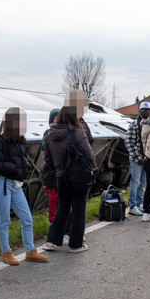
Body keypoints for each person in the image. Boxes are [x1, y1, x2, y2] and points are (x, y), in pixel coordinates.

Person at [0, 107, 48, 265]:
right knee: (4, 220)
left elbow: (22, 160)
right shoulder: (0, 140)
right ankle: (6, 253)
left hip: (15, 184)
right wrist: (15, 170)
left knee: (27, 218)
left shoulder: (20, 140)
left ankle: (30, 251)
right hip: (3, 183)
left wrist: (25, 169)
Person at [41, 104, 95, 253]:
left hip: (60, 177)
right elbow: (89, 154)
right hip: (77, 177)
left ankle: (51, 242)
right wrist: (91, 167)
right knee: (78, 210)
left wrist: (57, 171)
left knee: (62, 209)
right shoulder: (77, 133)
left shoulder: (50, 135)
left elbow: (48, 159)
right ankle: (75, 245)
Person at [124, 101, 150, 215]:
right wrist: (137, 157)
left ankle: (139, 204)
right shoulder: (134, 124)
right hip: (137, 159)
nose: (145, 112)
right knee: (135, 182)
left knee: (142, 183)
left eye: (147, 110)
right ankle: (132, 206)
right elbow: (128, 142)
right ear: (140, 111)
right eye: (143, 110)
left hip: (147, 158)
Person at [41, 108, 60, 223]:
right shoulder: (47, 133)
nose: (57, 122)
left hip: (61, 170)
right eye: (55, 119)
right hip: (51, 172)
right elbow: (43, 147)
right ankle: (52, 220)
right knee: (53, 198)